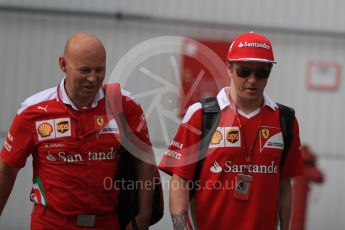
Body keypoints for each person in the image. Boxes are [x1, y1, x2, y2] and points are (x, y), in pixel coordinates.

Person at [0, 32, 157, 230]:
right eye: (84, 70)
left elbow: (144, 159)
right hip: (51, 223)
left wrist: (144, 216)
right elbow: (7, 168)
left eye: (100, 70)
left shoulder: (124, 104)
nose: (93, 78)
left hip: (107, 222)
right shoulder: (33, 110)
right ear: (63, 65)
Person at [159, 32, 304, 230]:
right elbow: (179, 180)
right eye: (244, 71)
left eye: (261, 72)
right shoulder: (201, 115)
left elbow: (285, 185)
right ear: (229, 68)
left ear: (270, 70)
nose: (252, 80)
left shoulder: (285, 120)